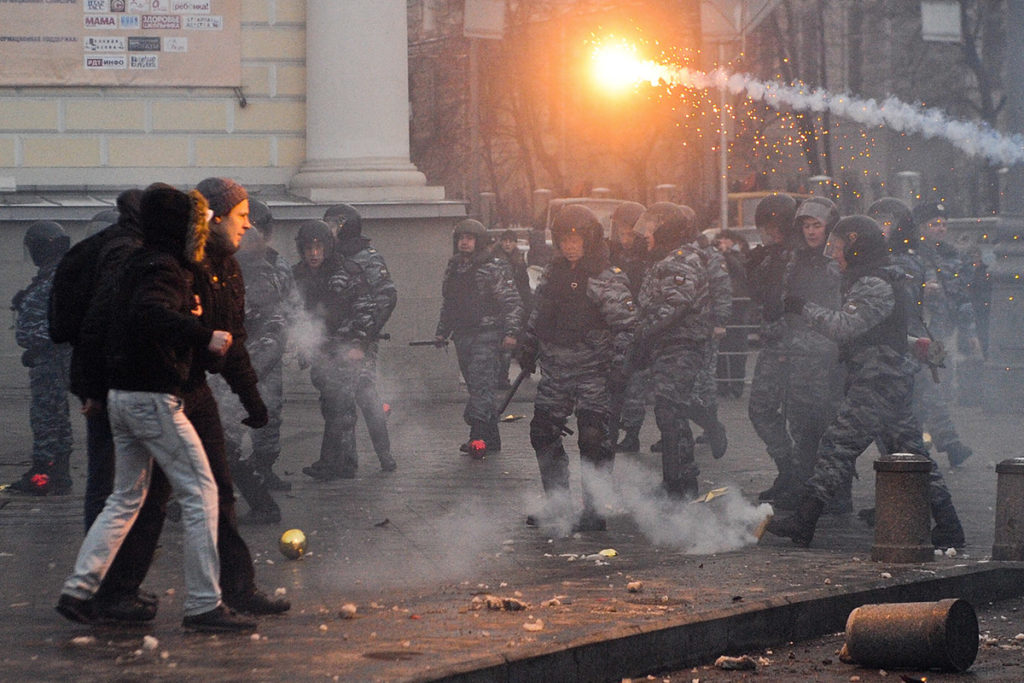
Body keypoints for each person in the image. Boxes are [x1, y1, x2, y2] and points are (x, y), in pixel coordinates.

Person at [56, 184, 256, 633]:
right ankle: (205, 603)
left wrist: (90, 386)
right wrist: (202, 334)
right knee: (202, 491)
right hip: (152, 398)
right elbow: (150, 314)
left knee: (125, 498)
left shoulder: (135, 262)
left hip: (122, 399)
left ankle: (80, 588)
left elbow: (103, 323)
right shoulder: (162, 267)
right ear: (181, 225)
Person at [765, 216, 965, 549]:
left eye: (841, 248)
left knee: (836, 446)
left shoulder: (873, 282)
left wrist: (803, 309)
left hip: (877, 380)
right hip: (888, 379)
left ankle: (804, 521)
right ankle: (950, 526)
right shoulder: (873, 276)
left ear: (859, 247)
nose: (837, 255)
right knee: (913, 455)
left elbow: (845, 327)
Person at [517, 205, 636, 531]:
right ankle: (558, 503)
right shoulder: (552, 275)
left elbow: (627, 327)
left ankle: (594, 510)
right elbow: (537, 316)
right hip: (556, 371)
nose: (570, 246)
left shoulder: (605, 278)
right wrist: (527, 347)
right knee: (542, 434)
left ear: (589, 240)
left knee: (594, 440)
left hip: (593, 374)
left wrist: (617, 368)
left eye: (576, 239)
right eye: (564, 239)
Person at [631, 203, 712, 500]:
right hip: (667, 345)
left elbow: (675, 305)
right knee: (669, 412)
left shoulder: (680, 260)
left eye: (651, 228)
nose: (646, 235)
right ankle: (675, 481)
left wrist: (642, 333)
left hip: (681, 345)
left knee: (671, 411)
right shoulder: (666, 258)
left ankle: (681, 483)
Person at [293, 220, 378, 480]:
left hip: (345, 349)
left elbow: (366, 310)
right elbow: (296, 312)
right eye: (308, 248)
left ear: (328, 248)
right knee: (335, 407)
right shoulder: (298, 275)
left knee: (339, 406)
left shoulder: (348, 271)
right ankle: (345, 462)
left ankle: (331, 463)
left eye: (319, 247)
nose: (314, 253)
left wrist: (358, 344)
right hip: (320, 350)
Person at [435, 219, 523, 455]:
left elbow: (511, 301)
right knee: (476, 387)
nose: (465, 242)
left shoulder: (494, 266)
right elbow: (449, 302)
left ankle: (478, 440)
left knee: (482, 386)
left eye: (470, 238)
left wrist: (512, 332)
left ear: (479, 241)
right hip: (462, 335)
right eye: (461, 238)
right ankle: (492, 439)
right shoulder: (453, 267)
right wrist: (442, 331)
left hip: (487, 334)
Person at [228, 199, 297, 491]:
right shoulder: (225, 264)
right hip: (233, 354)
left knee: (270, 414)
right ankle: (229, 469)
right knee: (228, 415)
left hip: (268, 352)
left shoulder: (278, 264)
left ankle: (263, 467)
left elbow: (290, 305)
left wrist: (289, 336)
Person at [324, 204, 398, 472]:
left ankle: (384, 454)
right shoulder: (331, 257)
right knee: (342, 401)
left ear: (344, 225)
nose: (328, 230)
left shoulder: (368, 258)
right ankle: (347, 459)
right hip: (336, 342)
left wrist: (365, 336)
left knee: (366, 396)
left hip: (361, 343)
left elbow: (388, 297)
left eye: (332, 225)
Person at [906, 201, 979, 467]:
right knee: (928, 386)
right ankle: (948, 443)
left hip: (939, 334)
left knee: (933, 387)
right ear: (922, 227)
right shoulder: (911, 254)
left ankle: (929, 443)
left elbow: (962, 297)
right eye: (934, 224)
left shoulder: (951, 256)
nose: (940, 229)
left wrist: (970, 333)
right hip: (916, 333)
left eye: (943, 224)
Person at [8, 221, 73, 495]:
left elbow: (53, 326)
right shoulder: (53, 276)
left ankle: (43, 474)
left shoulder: (56, 278)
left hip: (51, 361)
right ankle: (58, 473)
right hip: (49, 359)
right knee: (57, 415)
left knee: (46, 416)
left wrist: (36, 345)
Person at [746, 194, 800, 503]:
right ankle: (789, 469)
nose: (771, 234)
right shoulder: (770, 256)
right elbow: (762, 299)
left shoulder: (799, 258)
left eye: (776, 228)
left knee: (804, 417)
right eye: (767, 228)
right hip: (774, 344)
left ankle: (806, 477)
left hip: (799, 348)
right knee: (761, 410)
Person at [606, 201, 650, 453]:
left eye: (629, 234)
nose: (624, 239)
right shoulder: (611, 256)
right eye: (620, 233)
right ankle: (612, 431)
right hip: (614, 328)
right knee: (613, 384)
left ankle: (632, 433)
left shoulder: (646, 259)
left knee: (634, 386)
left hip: (636, 328)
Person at [492, 229, 533, 390]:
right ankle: (498, 377)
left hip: (515, 308)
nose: (507, 244)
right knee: (499, 346)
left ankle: (503, 377)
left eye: (511, 241)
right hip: (498, 309)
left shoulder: (519, 262)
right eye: (505, 240)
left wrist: (526, 306)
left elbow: (524, 287)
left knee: (509, 345)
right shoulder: (494, 259)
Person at [713, 229, 751, 398]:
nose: (722, 242)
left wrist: (728, 254)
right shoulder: (716, 257)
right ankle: (722, 386)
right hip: (721, 308)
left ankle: (736, 387)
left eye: (725, 239)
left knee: (738, 351)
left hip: (738, 309)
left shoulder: (740, 255)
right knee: (720, 350)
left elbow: (741, 271)